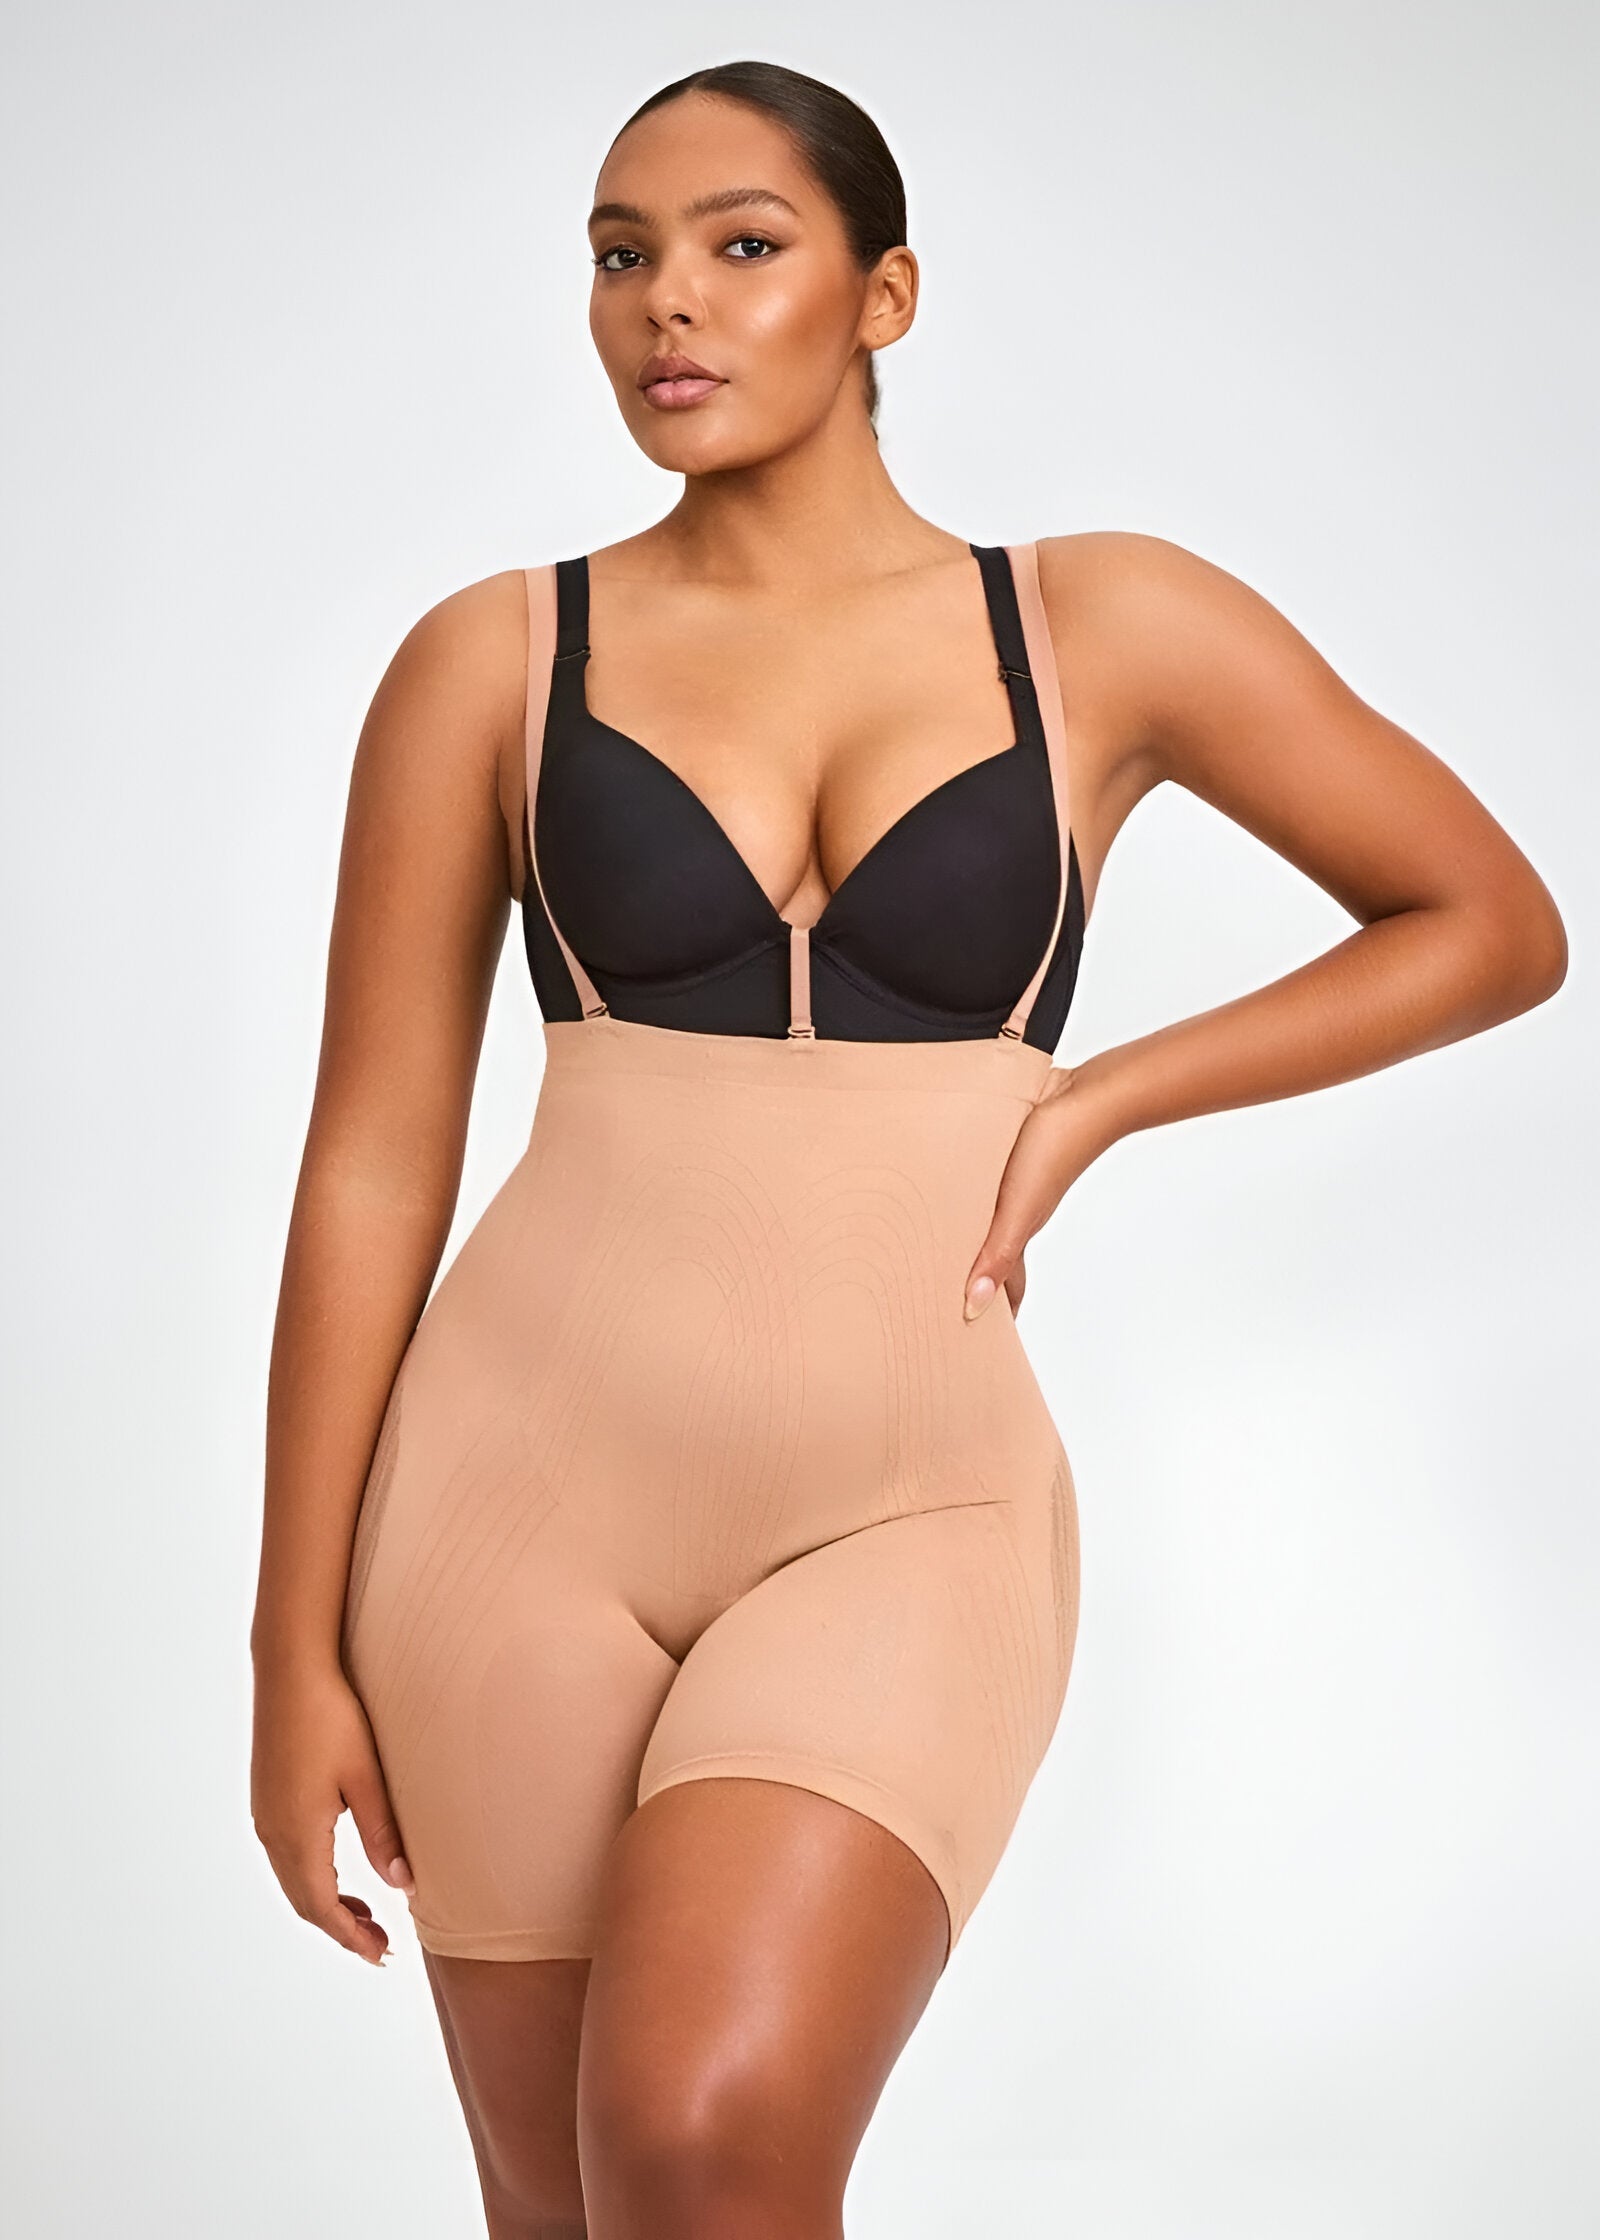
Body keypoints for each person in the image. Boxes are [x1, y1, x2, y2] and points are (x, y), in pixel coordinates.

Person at [249, 57, 1566, 2240]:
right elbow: (371, 1168)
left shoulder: (1095, 623)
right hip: (507, 1511)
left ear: (885, 296)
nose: (666, 303)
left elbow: (1487, 922)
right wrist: (285, 1649)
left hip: (905, 1506)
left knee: (701, 2135)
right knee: (564, 2205)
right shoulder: (493, 658)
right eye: (619, 255)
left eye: (741, 245)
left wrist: (1099, 1097)